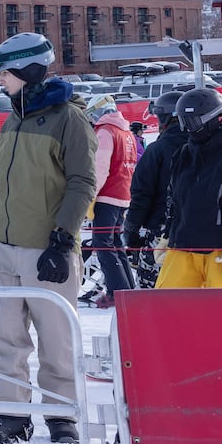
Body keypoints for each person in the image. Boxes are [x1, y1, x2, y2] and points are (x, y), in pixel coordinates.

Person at [0, 33, 95, 444]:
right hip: (4, 249)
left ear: (28, 71)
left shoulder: (69, 118)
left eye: (4, 72)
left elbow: (82, 182)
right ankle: (11, 416)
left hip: (48, 249)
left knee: (56, 339)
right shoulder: (13, 116)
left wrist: (62, 240)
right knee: (3, 338)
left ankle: (62, 416)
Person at [155, 88, 222, 290]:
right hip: (183, 244)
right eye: (184, 122)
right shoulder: (184, 153)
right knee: (168, 305)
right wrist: (168, 234)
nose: (188, 129)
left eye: (192, 122)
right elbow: (175, 199)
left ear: (214, 118)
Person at [123, 89, 192, 268]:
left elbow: (141, 194)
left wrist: (131, 229)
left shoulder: (157, 150)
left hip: (161, 229)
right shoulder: (204, 146)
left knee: (154, 287)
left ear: (166, 118)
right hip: (201, 229)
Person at [83, 95, 137, 308]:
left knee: (102, 243)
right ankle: (126, 288)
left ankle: (117, 291)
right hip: (122, 194)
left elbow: (100, 169)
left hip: (107, 195)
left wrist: (89, 195)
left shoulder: (105, 131)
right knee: (114, 243)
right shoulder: (126, 132)